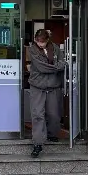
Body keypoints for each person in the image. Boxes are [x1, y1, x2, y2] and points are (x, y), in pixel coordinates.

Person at [28, 29, 66, 158]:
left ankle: (52, 134)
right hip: (37, 86)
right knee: (38, 114)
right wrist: (56, 67)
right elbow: (41, 67)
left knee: (54, 114)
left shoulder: (55, 48)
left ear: (47, 40)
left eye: (42, 42)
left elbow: (63, 63)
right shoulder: (32, 49)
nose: (40, 44)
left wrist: (56, 66)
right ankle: (38, 143)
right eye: (38, 42)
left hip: (54, 85)